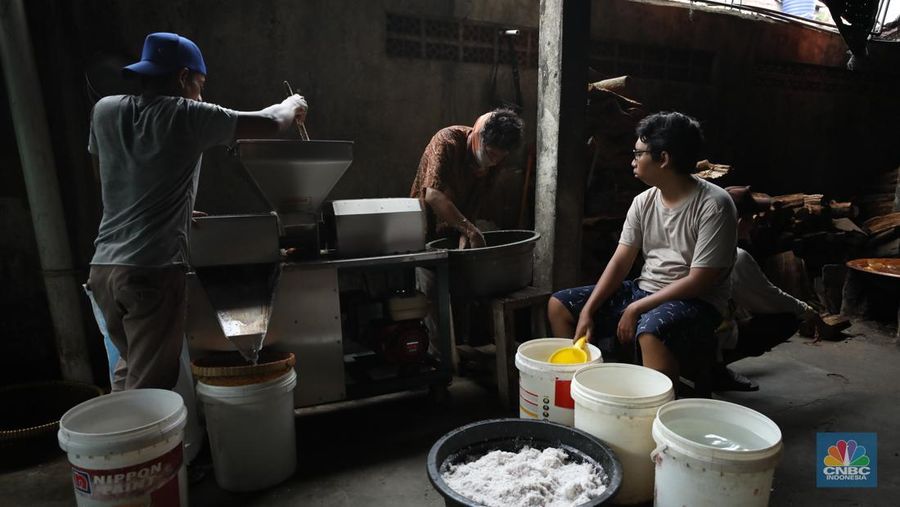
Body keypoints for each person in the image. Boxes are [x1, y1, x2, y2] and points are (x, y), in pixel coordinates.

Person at [86, 32, 308, 391]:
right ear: (182, 77)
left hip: (104, 271)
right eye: (200, 84)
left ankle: (127, 438)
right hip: (152, 271)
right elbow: (269, 123)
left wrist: (171, 210)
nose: (201, 94)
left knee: (128, 372)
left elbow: (108, 176)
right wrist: (292, 102)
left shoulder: (105, 111)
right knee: (150, 389)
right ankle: (149, 447)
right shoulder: (186, 114)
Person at [548, 112, 737, 383]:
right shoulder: (643, 201)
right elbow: (620, 261)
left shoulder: (715, 205)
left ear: (663, 159)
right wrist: (589, 309)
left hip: (697, 302)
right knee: (560, 305)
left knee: (651, 330)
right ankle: (583, 389)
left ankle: (655, 410)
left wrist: (636, 309)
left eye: (638, 153)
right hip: (645, 289)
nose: (632, 160)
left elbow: (699, 281)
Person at [410, 108, 524, 249]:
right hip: (424, 225)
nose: (495, 161)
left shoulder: (496, 161)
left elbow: (477, 200)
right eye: (491, 153)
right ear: (479, 138)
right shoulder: (447, 142)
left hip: (458, 229)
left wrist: (465, 231)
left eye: (501, 156)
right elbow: (433, 195)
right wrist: (470, 231)